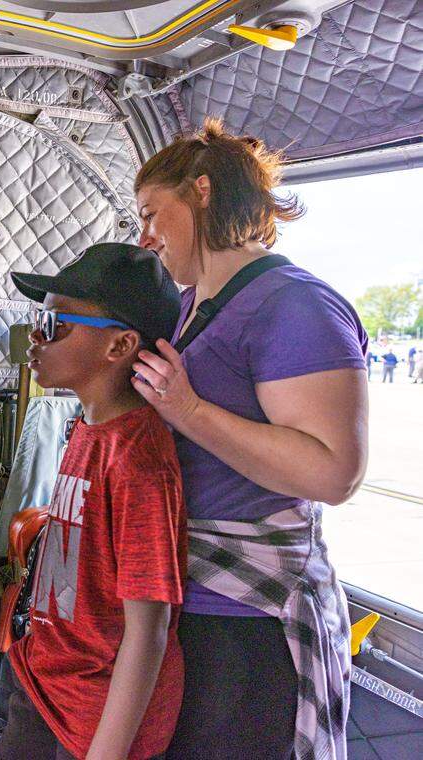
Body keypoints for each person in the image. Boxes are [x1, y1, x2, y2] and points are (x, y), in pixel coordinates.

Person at [132, 117, 368, 759]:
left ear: (202, 191)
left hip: (248, 620)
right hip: (187, 600)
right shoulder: (193, 306)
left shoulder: (295, 305)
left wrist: (188, 409)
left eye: (152, 213)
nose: (146, 236)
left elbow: (332, 473)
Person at [0, 243, 188, 760]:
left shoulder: (138, 460)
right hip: (45, 686)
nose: (35, 337)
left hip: (93, 721)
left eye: (54, 323)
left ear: (120, 346)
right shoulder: (87, 427)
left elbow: (148, 634)